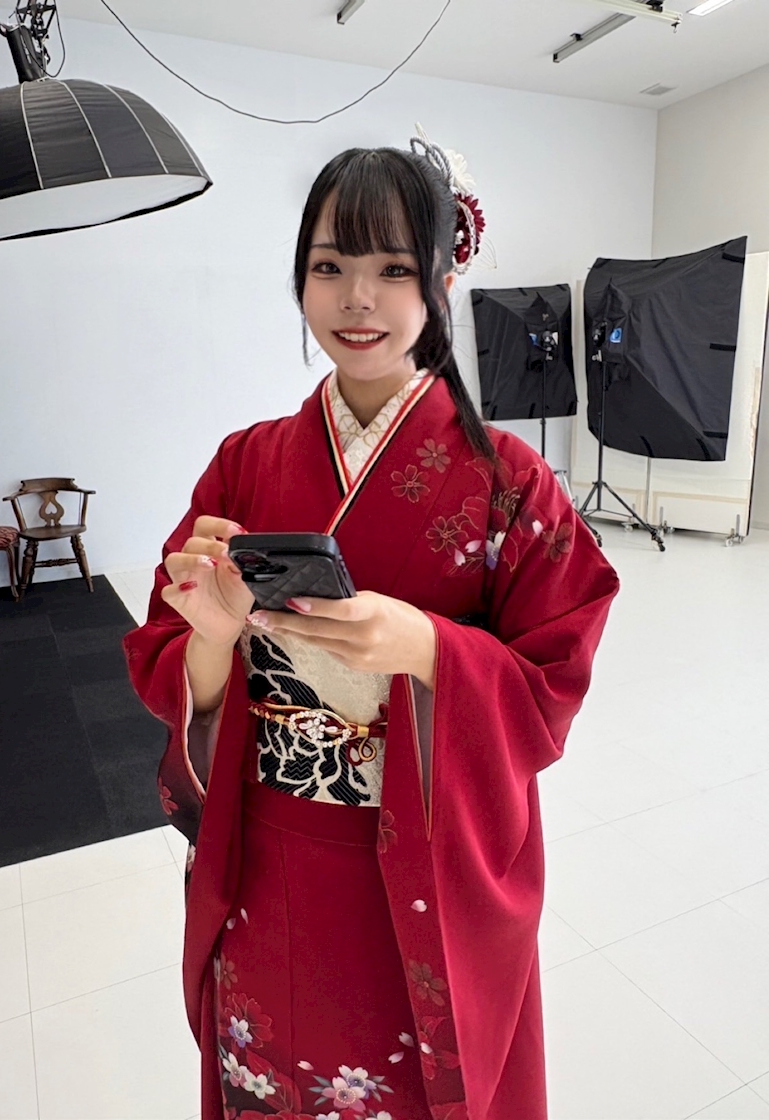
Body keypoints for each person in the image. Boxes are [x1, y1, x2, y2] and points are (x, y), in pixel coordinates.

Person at [123, 126, 620, 1120]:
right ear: (299, 282)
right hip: (267, 854)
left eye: (393, 269)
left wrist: (430, 648)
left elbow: (553, 678)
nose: (358, 298)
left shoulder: (510, 482)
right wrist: (212, 633)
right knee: (273, 1072)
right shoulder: (246, 463)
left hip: (420, 863)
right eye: (329, 267)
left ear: (442, 281)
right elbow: (166, 657)